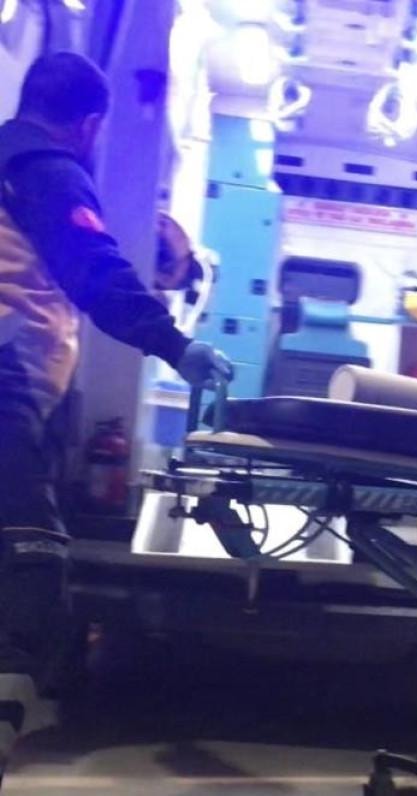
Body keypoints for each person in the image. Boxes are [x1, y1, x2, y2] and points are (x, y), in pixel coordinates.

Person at [0, 53, 232, 784]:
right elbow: (95, 270)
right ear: (90, 124)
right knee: (31, 563)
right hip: (5, 380)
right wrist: (176, 345)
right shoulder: (46, 170)